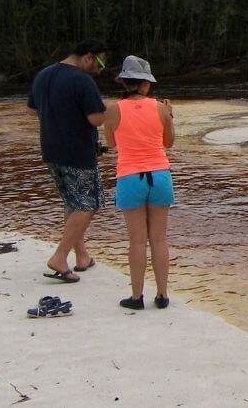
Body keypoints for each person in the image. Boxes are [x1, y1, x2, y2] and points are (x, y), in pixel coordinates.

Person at [27, 40, 109, 283]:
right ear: (87, 58)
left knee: (72, 203)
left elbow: (32, 110)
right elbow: (96, 119)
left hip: (51, 150)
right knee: (89, 204)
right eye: (101, 62)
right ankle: (60, 257)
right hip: (77, 152)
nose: (101, 68)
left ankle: (81, 256)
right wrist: (111, 112)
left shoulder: (43, 75)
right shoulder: (83, 80)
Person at [103, 55, 176, 310]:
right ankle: (163, 295)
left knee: (136, 241)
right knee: (159, 239)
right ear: (145, 83)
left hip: (130, 175)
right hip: (159, 174)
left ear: (124, 82)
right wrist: (169, 116)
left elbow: (111, 143)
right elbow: (169, 142)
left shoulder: (112, 109)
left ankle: (136, 297)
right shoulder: (160, 107)